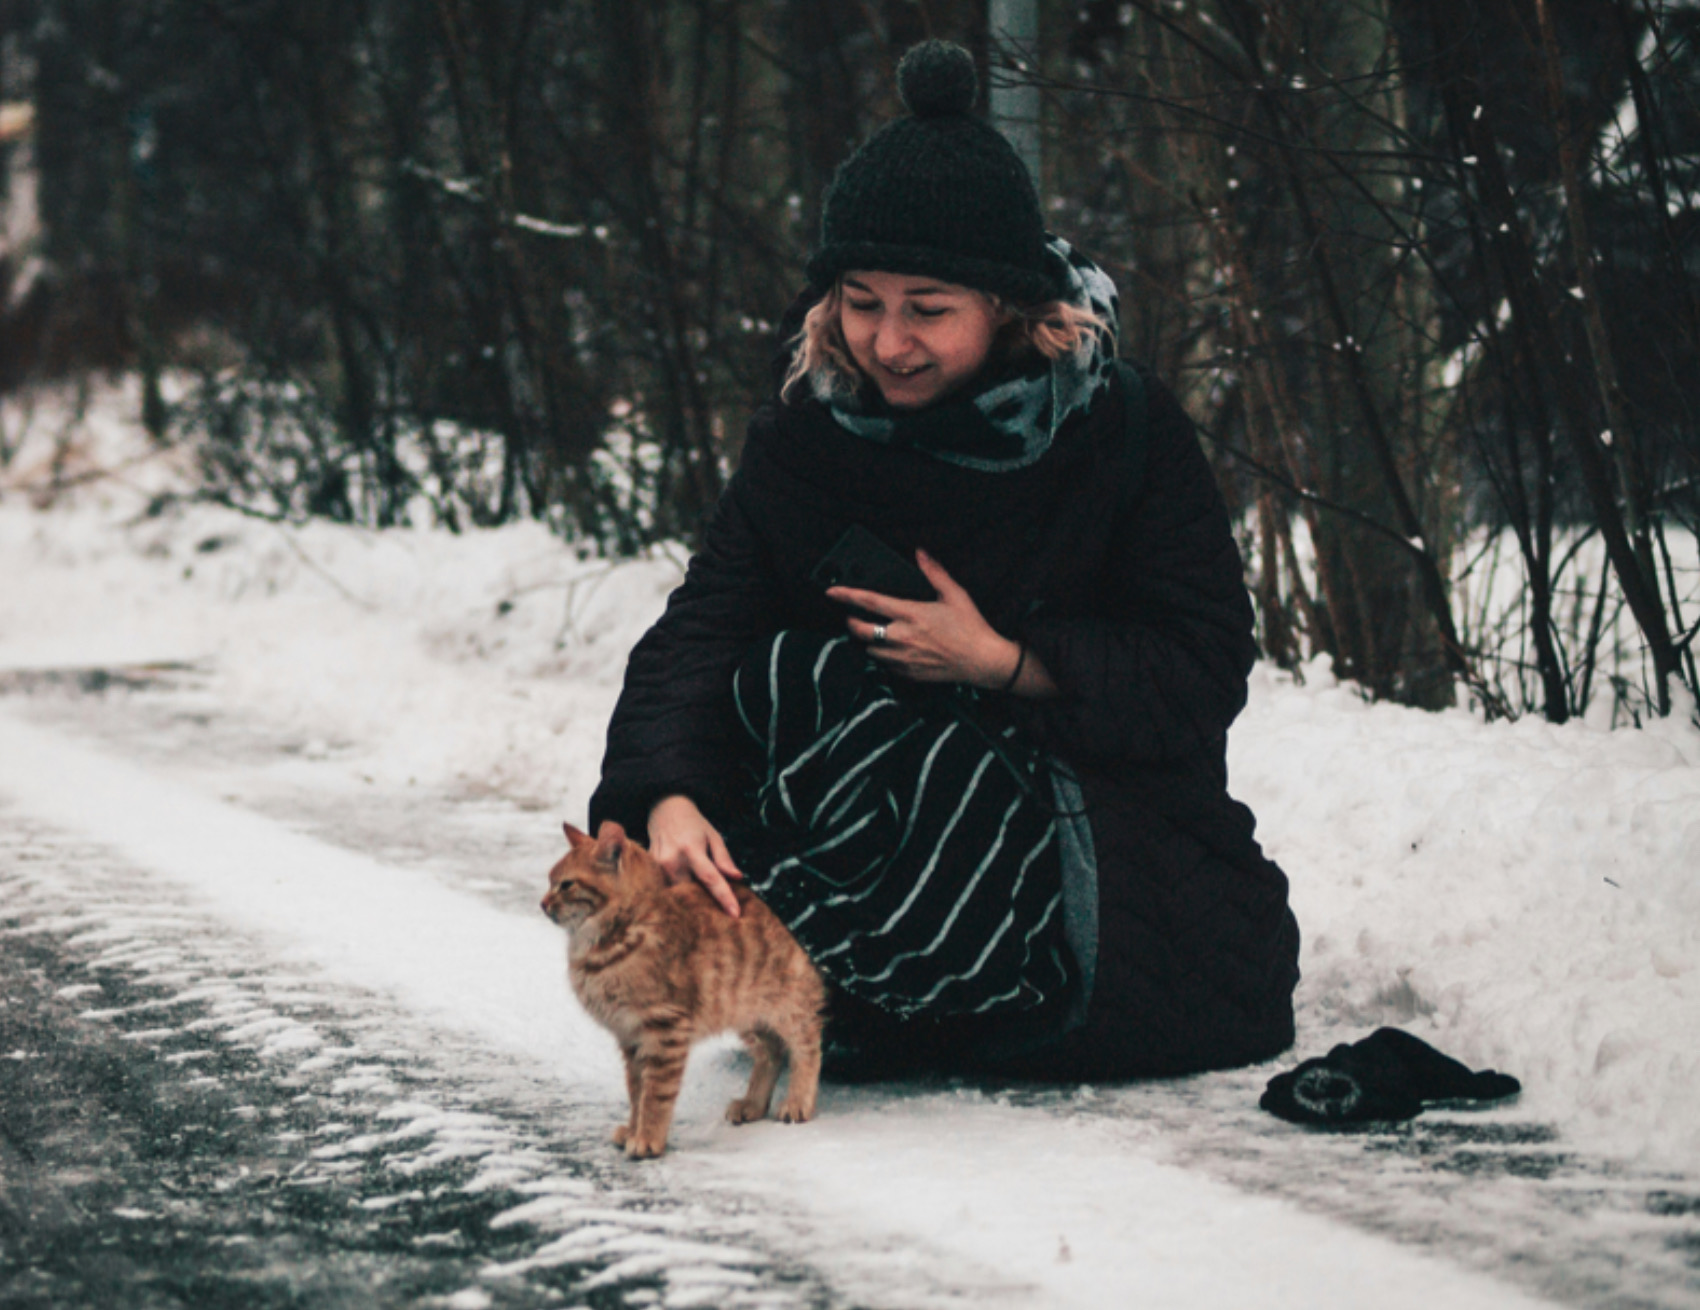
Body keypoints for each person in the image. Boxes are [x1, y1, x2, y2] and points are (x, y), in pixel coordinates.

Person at [588, 40, 1300, 1081]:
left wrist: (1007, 660)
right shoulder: (805, 433)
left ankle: (828, 961)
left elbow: (1200, 666)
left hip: (1084, 836)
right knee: (789, 673)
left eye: (927, 308)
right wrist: (666, 797)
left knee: (936, 763)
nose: (886, 342)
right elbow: (702, 627)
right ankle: (798, 951)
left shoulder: (1116, 429)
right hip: (859, 811)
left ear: (1007, 306)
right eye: (861, 300)